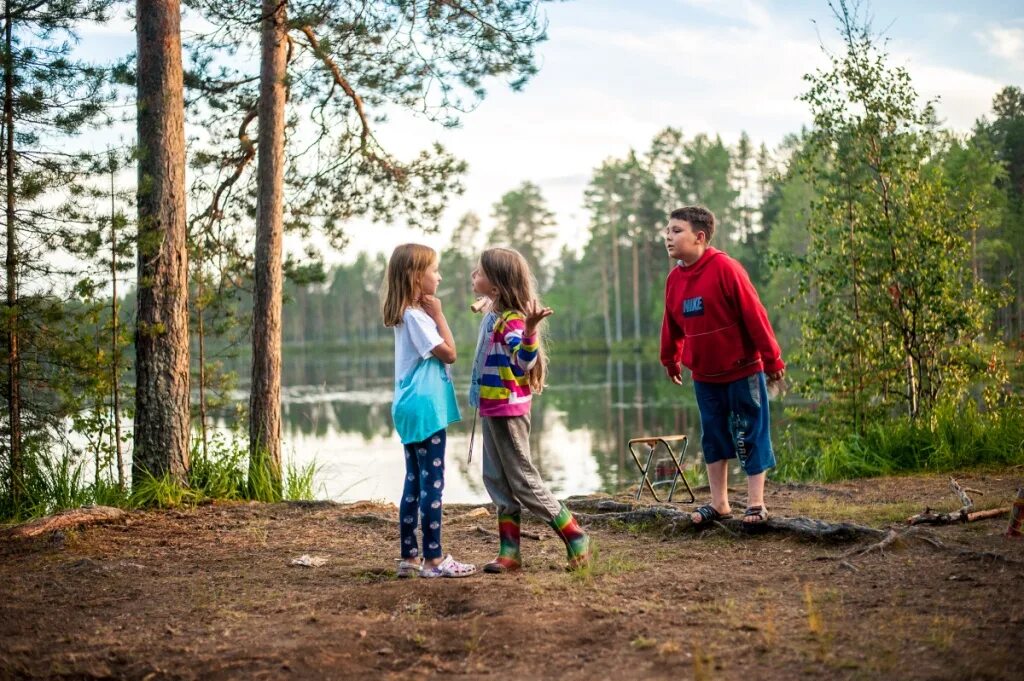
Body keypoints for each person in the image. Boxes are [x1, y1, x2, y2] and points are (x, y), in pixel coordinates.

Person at [659, 206, 785, 527]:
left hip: (743, 370)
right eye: (668, 230)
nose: (668, 236)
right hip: (704, 375)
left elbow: (755, 316)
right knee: (713, 437)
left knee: (750, 432)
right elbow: (672, 323)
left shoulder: (726, 269)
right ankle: (720, 504)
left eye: (676, 230)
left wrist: (772, 359)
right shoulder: (675, 279)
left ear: (699, 237)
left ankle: (756, 503)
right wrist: (670, 358)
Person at [468, 247, 590, 572]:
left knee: (522, 479)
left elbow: (525, 360)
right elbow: (491, 308)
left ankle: (574, 534)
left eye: (478, 272)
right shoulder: (496, 311)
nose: (472, 276)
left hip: (508, 410)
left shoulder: (512, 321)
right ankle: (510, 552)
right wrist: (489, 303)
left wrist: (530, 330)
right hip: (492, 407)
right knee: (495, 477)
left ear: (496, 287)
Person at [381, 243, 476, 578]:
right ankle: (433, 559)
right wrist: (439, 314)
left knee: (415, 481)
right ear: (415, 276)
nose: (439, 276)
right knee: (432, 483)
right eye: (434, 270)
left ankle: (409, 557)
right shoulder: (418, 317)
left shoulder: (405, 315)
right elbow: (450, 353)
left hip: (409, 407)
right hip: (425, 410)